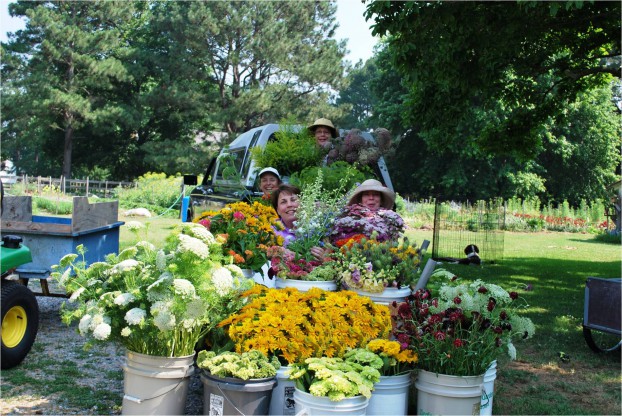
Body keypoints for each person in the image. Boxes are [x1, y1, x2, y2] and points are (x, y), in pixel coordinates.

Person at [271, 184, 325, 260]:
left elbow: (328, 259)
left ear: (302, 204)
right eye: (283, 202)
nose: (289, 205)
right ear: (277, 210)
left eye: (293, 200)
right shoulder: (272, 232)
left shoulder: (317, 228)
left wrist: (323, 257)